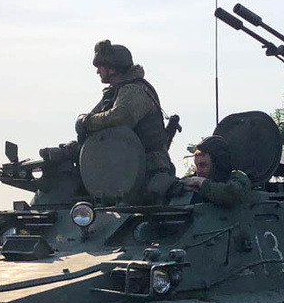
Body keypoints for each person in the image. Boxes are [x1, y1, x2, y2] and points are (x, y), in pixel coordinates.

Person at [75, 40, 175, 202]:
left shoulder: (135, 90)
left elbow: (120, 117)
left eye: (100, 67)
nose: (98, 72)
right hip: (122, 170)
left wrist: (86, 121)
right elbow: (94, 120)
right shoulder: (115, 92)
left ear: (112, 68)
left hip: (149, 169)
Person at [177, 135, 252, 207]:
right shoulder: (195, 180)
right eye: (197, 165)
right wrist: (183, 187)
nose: (198, 171)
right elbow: (173, 187)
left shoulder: (238, 178)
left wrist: (202, 183)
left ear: (218, 164)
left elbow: (232, 194)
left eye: (203, 165)